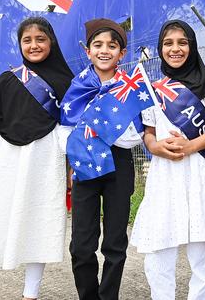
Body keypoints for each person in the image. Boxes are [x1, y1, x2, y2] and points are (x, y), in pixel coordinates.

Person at [0, 17, 74, 300]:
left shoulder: (68, 83)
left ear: (51, 42)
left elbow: (72, 132)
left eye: (40, 39)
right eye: (27, 40)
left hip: (48, 160)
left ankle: (30, 294)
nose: (34, 45)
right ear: (20, 44)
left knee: (41, 221)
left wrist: (71, 170)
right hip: (9, 160)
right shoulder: (8, 80)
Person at [130, 20, 205, 300]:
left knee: (202, 255)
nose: (175, 49)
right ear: (160, 49)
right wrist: (156, 147)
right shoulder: (151, 89)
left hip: (201, 172)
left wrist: (190, 146)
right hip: (165, 175)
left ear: (192, 46)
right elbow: (148, 134)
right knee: (159, 249)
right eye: (168, 43)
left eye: (182, 42)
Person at [60, 18, 141, 300]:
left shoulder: (130, 87)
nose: (104, 50)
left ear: (122, 53)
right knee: (81, 244)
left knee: (115, 243)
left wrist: (103, 124)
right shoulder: (79, 86)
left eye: (112, 46)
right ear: (88, 51)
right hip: (84, 166)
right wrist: (75, 158)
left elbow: (135, 134)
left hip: (119, 164)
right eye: (98, 45)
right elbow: (65, 129)